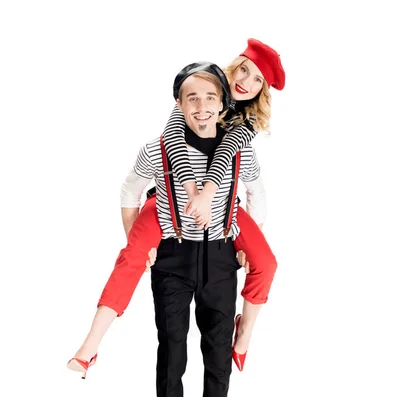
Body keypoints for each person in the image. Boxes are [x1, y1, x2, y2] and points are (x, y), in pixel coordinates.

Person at [67, 39, 285, 378]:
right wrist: (189, 194)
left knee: (266, 263)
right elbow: (172, 141)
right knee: (132, 257)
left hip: (221, 204)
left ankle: (244, 334)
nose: (246, 82)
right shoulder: (198, 87)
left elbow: (230, 156)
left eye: (258, 80)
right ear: (234, 65)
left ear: (262, 91)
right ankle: (90, 345)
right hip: (169, 197)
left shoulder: (247, 123)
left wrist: (234, 232)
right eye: (244, 70)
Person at [132, 63, 265, 397]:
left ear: (223, 102)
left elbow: (256, 192)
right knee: (172, 352)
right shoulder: (159, 149)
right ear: (179, 103)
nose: (202, 107)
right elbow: (129, 190)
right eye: (193, 98)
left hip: (222, 258)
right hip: (172, 258)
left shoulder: (238, 150)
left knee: (217, 350)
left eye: (211, 98)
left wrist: (246, 240)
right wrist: (139, 242)